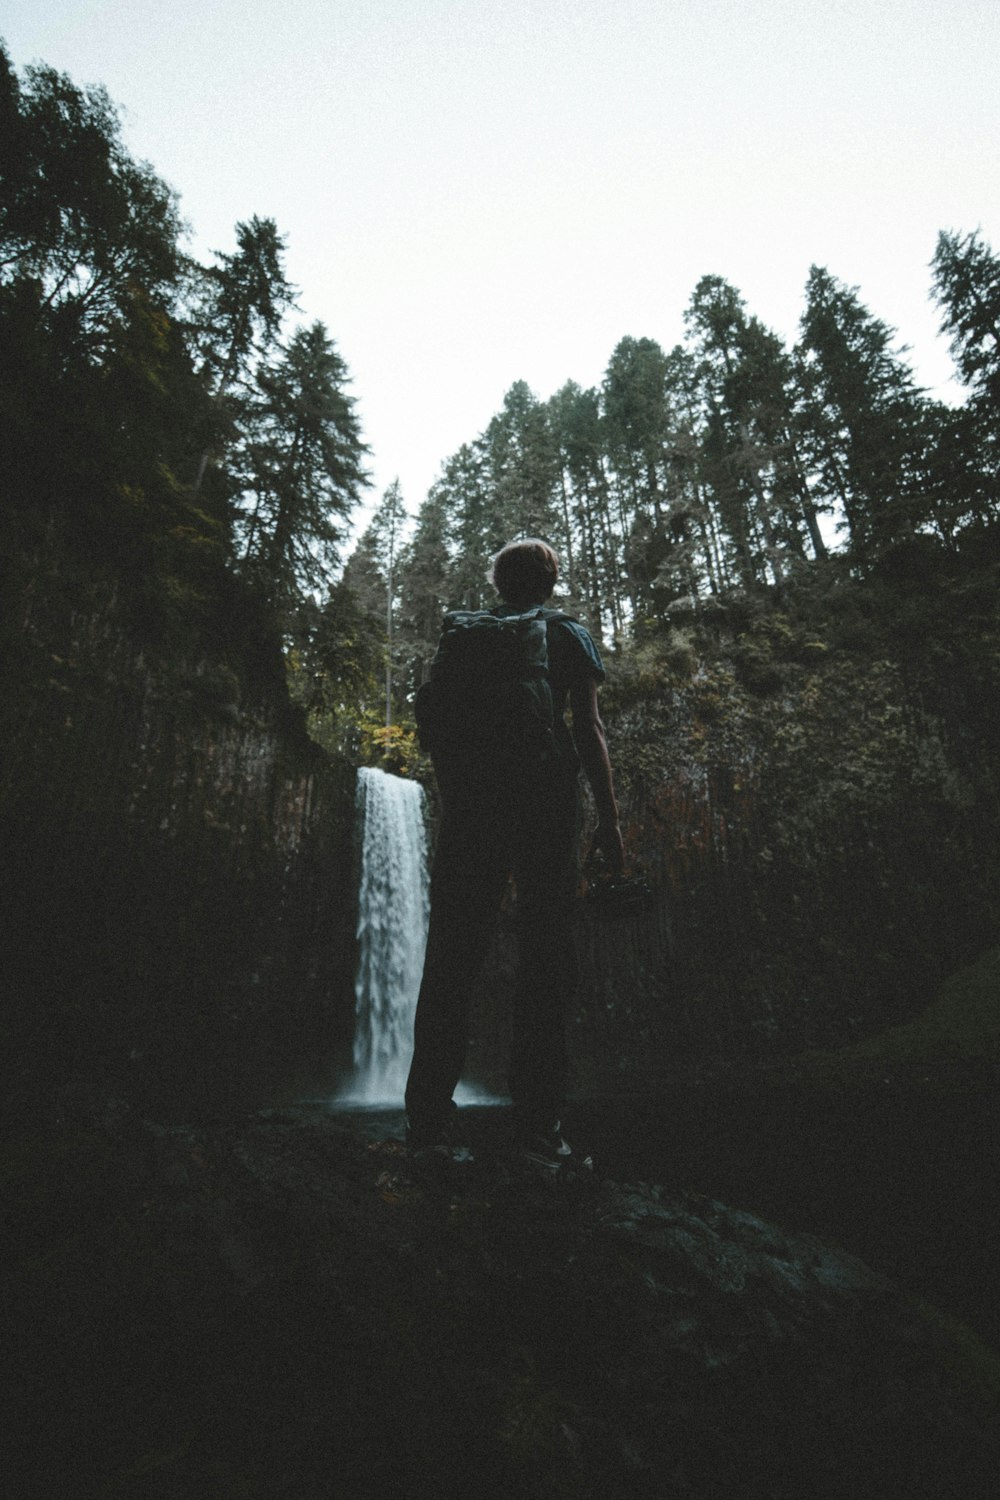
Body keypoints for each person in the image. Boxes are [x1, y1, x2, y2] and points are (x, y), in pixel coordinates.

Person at [405, 537, 624, 1167]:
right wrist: (608, 826)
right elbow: (589, 730)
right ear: (550, 582)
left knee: (450, 960)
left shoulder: (465, 639)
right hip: (544, 809)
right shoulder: (566, 634)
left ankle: (426, 1124)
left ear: (499, 585)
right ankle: (538, 1128)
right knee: (546, 962)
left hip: (472, 811)